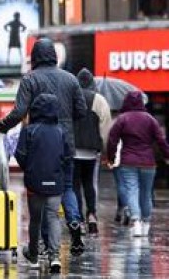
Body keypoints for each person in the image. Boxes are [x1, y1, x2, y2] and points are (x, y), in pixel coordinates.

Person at [0, 37, 87, 254]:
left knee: (42, 192)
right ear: (54, 55)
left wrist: (3, 126)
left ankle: (46, 245)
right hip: (66, 142)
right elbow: (82, 111)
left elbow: (19, 111)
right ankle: (74, 221)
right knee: (66, 187)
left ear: (35, 56)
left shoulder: (30, 80)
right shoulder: (71, 79)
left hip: (39, 144)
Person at [15, 93, 71, 274]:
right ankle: (54, 256)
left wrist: (29, 168)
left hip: (34, 182)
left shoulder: (29, 130)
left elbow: (20, 155)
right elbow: (68, 156)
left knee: (35, 220)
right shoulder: (61, 131)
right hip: (56, 182)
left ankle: (33, 256)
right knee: (53, 217)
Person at [105, 90, 169, 238]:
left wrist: (111, 157)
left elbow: (112, 140)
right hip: (148, 162)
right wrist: (167, 155)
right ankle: (145, 223)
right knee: (146, 194)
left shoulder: (122, 119)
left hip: (128, 162)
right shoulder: (150, 119)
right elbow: (161, 140)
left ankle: (136, 220)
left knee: (132, 191)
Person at [72, 68, 112, 236]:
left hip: (72, 150)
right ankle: (92, 215)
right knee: (89, 183)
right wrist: (105, 150)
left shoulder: (71, 98)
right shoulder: (100, 100)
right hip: (91, 151)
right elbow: (105, 128)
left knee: (74, 186)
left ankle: (78, 219)